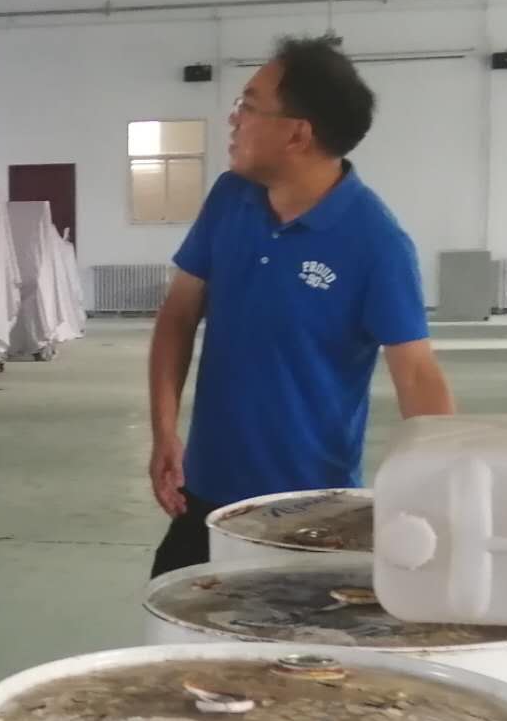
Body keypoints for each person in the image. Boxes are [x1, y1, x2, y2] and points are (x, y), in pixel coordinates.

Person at [147, 35, 455, 576]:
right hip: (206, 492)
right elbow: (178, 315)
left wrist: (448, 492)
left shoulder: (375, 243)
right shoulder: (230, 198)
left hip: (308, 511)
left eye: (248, 106)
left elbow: (416, 373)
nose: (233, 119)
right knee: (172, 610)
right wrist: (164, 431)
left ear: (297, 134)